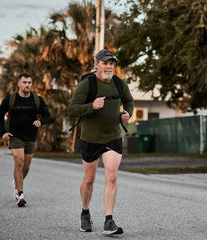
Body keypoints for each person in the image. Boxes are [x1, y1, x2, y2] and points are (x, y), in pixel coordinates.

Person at [68, 49, 134, 235]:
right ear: (96, 63)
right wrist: (92, 106)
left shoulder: (120, 84)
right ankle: (85, 213)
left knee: (111, 176)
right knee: (89, 179)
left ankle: (108, 221)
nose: (109, 66)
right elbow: (72, 110)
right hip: (90, 138)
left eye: (111, 63)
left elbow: (129, 101)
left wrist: (128, 113)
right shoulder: (87, 84)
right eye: (105, 62)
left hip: (113, 136)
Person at [0, 73, 51, 207]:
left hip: (31, 136)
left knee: (26, 165)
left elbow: (47, 116)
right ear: (19, 84)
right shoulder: (11, 99)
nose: (27, 85)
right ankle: (20, 193)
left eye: (29, 82)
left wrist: (41, 122)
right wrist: (3, 132)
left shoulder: (37, 99)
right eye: (24, 82)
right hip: (15, 136)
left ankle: (16, 182)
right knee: (19, 162)